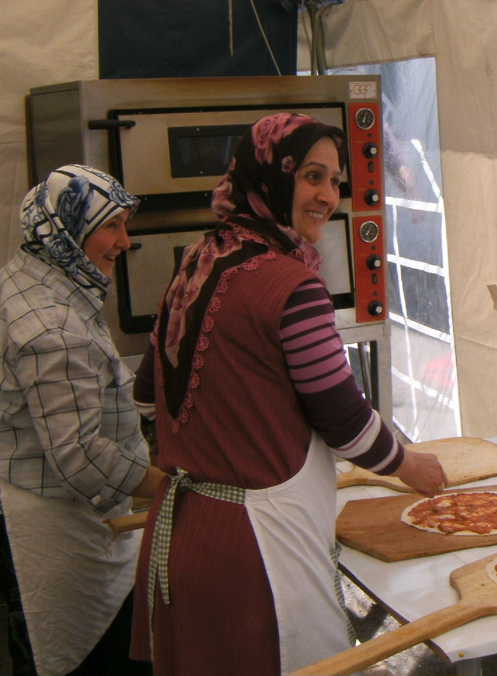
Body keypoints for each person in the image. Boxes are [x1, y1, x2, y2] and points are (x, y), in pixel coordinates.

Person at [128, 112, 447, 675]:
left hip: (183, 537)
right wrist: (409, 464)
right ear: (271, 176)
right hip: (255, 555)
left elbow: (146, 394)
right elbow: (344, 421)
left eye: (336, 181)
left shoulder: (196, 263)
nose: (328, 196)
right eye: (312, 176)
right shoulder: (293, 287)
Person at [0, 165, 164, 676]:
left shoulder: (27, 275)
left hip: (25, 490)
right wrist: (170, 487)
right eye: (111, 226)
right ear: (66, 228)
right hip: (52, 526)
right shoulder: (52, 326)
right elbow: (80, 455)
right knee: (90, 658)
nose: (125, 242)